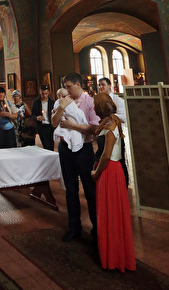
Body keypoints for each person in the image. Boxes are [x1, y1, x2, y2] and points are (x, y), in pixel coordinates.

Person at [51, 72, 99, 242]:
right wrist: (61, 108)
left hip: (84, 150)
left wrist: (73, 126)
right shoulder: (63, 101)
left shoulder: (90, 102)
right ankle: (74, 228)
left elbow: (95, 128)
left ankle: (97, 229)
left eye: (69, 86)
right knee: (70, 190)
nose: (66, 90)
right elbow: (54, 123)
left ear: (78, 85)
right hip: (65, 148)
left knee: (90, 190)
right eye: (65, 87)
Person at [91, 93, 136, 272]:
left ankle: (112, 257)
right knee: (114, 212)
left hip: (109, 171)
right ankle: (115, 253)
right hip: (113, 170)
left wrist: (96, 173)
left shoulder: (110, 127)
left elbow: (106, 155)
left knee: (109, 213)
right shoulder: (111, 121)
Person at [97, 76, 128, 185]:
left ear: (109, 86)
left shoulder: (117, 100)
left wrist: (110, 117)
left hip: (115, 132)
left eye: (103, 85)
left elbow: (124, 117)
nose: (101, 87)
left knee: (118, 160)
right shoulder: (99, 99)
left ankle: (123, 183)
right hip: (103, 133)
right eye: (99, 85)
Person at [52, 88, 85, 152]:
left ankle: (75, 145)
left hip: (73, 121)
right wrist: (61, 107)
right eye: (64, 96)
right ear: (59, 97)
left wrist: (77, 105)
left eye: (67, 95)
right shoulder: (57, 103)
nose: (66, 98)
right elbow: (54, 122)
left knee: (80, 115)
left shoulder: (70, 101)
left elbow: (74, 109)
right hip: (64, 121)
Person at [31, 84, 55, 151]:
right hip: (42, 126)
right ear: (40, 92)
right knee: (46, 145)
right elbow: (33, 115)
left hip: (50, 126)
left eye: (46, 94)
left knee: (51, 145)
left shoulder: (52, 102)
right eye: (42, 94)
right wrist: (37, 117)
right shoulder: (36, 103)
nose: (44, 96)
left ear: (48, 93)